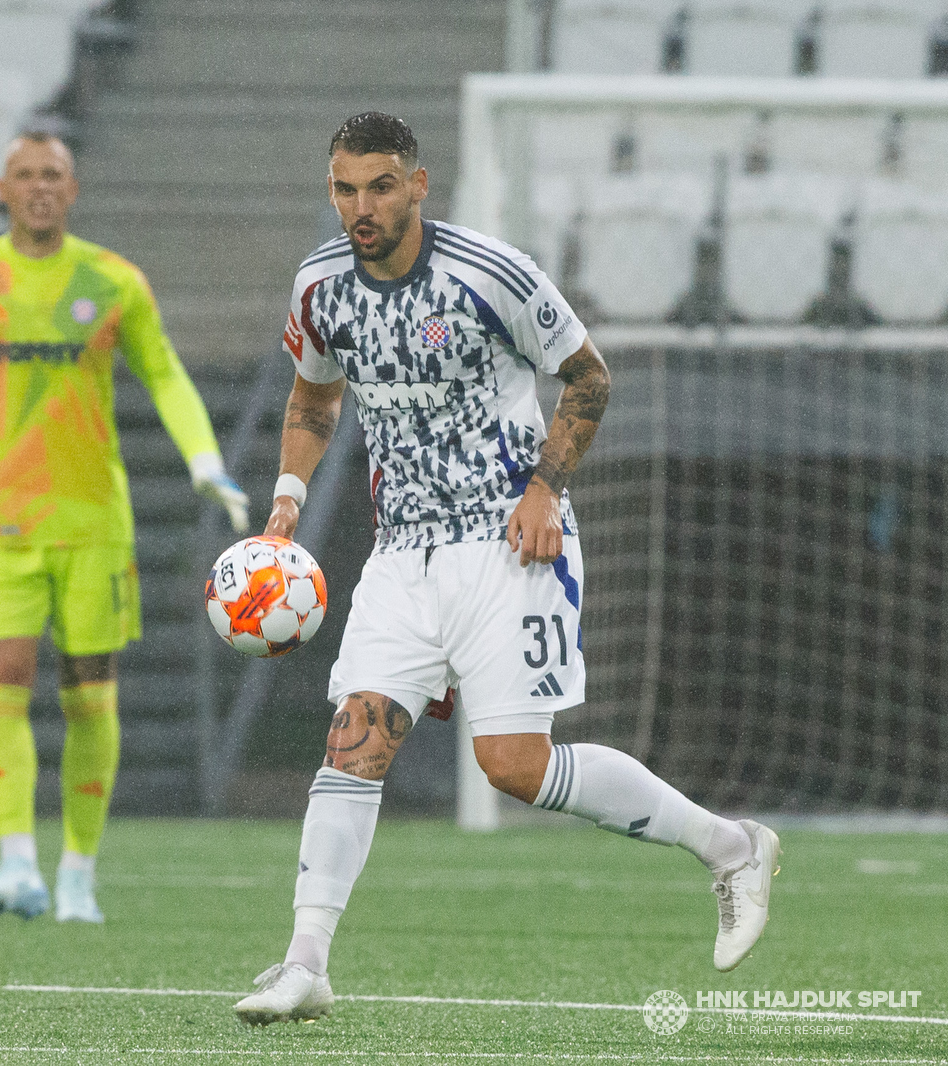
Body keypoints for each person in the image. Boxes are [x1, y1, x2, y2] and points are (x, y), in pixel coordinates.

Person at [232, 112, 780, 1025]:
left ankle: (731, 848)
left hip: (510, 543)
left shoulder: (491, 273)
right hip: (401, 554)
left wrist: (542, 491)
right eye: (343, 188)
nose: (359, 207)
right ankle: (306, 963)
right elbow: (314, 395)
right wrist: (287, 502)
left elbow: (589, 377)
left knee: (514, 767)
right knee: (355, 740)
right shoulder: (321, 285)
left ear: (417, 184)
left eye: (378, 186)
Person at [0, 132, 247, 924]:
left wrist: (204, 461)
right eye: (27, 175)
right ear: (2, 189)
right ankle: (16, 865)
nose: (40, 187)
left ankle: (78, 870)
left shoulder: (113, 282)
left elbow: (166, 372)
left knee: (88, 695)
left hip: (92, 525)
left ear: (73, 191)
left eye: (55, 175)